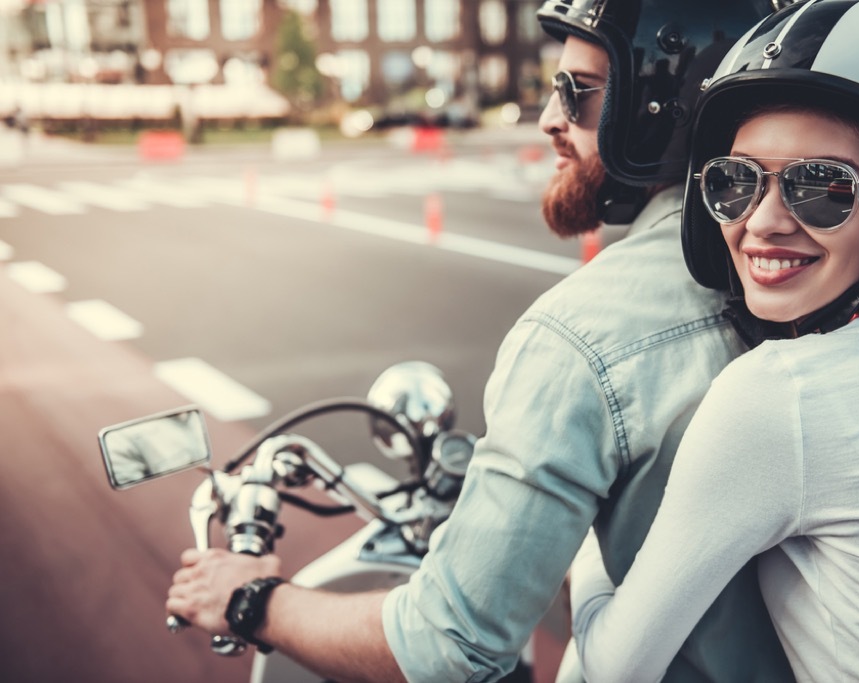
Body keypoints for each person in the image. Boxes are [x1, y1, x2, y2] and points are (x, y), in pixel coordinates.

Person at [165, 1, 797, 681]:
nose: (550, 118)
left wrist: (250, 598)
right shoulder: (814, 273)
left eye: (577, 93)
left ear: (660, 105)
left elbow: (448, 648)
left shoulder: (583, 336)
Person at [568, 1, 859, 681]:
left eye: (822, 187)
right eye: (733, 180)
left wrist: (585, 541)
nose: (763, 221)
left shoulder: (782, 395)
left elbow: (613, 666)